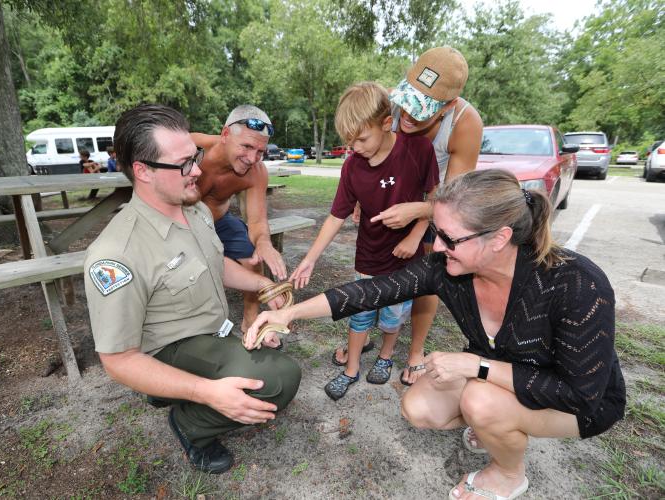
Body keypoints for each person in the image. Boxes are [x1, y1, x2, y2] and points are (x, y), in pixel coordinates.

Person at [245, 169, 626, 499]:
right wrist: (290, 313)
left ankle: (510, 474)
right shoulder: (447, 267)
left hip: (581, 404)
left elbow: (580, 393)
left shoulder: (576, 283)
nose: (438, 247)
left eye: (450, 238)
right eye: (435, 232)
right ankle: (497, 424)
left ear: (498, 238)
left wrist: (476, 366)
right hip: (504, 375)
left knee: (480, 400)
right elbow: (369, 292)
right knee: (419, 407)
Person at [84, 104, 301, 474]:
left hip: (211, 330)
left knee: (275, 368)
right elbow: (118, 360)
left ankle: (192, 389)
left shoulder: (194, 209)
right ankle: (189, 423)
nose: (198, 171)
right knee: (279, 380)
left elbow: (214, 262)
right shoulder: (115, 254)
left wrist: (262, 283)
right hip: (169, 347)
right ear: (143, 171)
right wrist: (208, 394)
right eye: (184, 164)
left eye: (194, 159)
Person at [289, 82, 439, 400]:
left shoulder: (418, 150)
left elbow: (436, 199)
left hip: (405, 258)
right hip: (368, 255)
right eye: (349, 141)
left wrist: (415, 235)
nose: (354, 147)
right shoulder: (352, 167)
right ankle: (351, 370)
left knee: (393, 316)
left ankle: (385, 357)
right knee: (360, 314)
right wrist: (310, 258)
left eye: (361, 139)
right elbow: (336, 216)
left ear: (386, 124)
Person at [370, 46, 485, 385]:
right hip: (395, 190)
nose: (408, 115)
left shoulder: (465, 123)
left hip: (440, 199)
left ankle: (415, 351)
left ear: (448, 105)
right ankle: (365, 330)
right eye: (409, 99)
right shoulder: (392, 103)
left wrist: (419, 216)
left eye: (423, 109)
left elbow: (454, 196)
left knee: (428, 276)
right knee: (378, 264)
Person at [191, 105, 286, 332]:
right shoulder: (191, 148)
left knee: (253, 257)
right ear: (225, 135)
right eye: (246, 146)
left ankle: (250, 320)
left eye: (260, 151)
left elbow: (256, 222)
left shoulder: (257, 171)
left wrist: (263, 243)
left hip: (221, 221)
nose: (253, 158)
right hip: (183, 224)